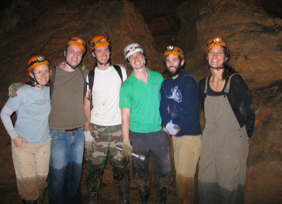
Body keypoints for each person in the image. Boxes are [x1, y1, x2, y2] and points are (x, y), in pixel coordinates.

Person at [8, 37, 88, 204]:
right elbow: (37, 80)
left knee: (75, 178)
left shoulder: (84, 73)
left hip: (79, 133)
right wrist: (18, 86)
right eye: (71, 51)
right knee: (57, 178)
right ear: (64, 53)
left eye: (79, 53)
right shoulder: (53, 72)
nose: (75, 55)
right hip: (57, 133)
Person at [198, 37, 255, 204]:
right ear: (206, 57)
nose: (215, 56)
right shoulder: (203, 85)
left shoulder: (235, 81)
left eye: (219, 53)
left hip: (232, 143)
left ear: (226, 57)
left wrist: (242, 140)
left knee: (229, 185)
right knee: (206, 181)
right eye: (211, 53)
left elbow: (249, 113)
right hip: (210, 141)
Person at [120, 43, 174, 204]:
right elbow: (125, 116)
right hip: (137, 136)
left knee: (165, 168)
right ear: (128, 62)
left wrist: (169, 123)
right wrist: (125, 141)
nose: (136, 59)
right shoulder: (127, 86)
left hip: (159, 133)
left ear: (144, 57)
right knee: (140, 170)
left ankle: (162, 197)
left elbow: (165, 104)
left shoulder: (157, 77)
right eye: (132, 57)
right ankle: (144, 196)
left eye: (138, 55)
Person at [83, 34, 130, 204]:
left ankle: (124, 199)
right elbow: (86, 105)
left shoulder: (120, 71)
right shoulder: (90, 76)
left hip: (118, 128)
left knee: (120, 166)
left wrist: (127, 133)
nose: (103, 54)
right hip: (97, 129)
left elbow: (129, 96)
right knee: (95, 167)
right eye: (99, 51)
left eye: (106, 50)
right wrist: (87, 131)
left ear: (110, 52)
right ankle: (93, 199)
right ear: (93, 54)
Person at [0, 56, 51, 204]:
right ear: (31, 74)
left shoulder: (49, 90)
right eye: (39, 72)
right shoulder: (22, 92)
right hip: (24, 145)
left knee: (41, 183)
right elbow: (4, 113)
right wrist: (14, 136)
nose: (43, 75)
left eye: (46, 71)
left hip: (44, 144)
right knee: (28, 188)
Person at [159, 46, 201, 203]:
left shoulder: (188, 81)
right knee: (181, 175)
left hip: (190, 135)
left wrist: (176, 127)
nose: (171, 63)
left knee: (184, 178)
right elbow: (163, 107)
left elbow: (190, 110)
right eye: (168, 60)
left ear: (182, 62)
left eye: (174, 60)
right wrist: (167, 124)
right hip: (176, 135)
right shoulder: (165, 84)